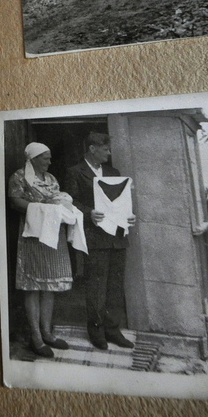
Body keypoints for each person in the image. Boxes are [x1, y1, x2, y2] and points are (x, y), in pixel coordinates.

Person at [62, 131, 136, 350]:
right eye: (105, 149)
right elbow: (70, 201)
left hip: (117, 236)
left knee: (115, 285)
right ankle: (96, 330)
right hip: (95, 237)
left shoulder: (114, 172)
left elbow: (123, 201)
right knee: (96, 286)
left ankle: (113, 330)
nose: (109, 153)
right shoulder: (75, 172)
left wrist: (129, 215)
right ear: (92, 149)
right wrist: (88, 213)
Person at [9, 142, 83, 358]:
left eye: (50, 158)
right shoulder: (19, 177)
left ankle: (47, 333)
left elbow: (59, 198)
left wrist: (62, 207)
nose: (50, 162)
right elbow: (15, 201)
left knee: (50, 286)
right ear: (33, 159)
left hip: (53, 236)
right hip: (33, 235)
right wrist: (44, 209)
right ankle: (36, 338)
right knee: (33, 286)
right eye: (45, 158)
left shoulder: (51, 179)